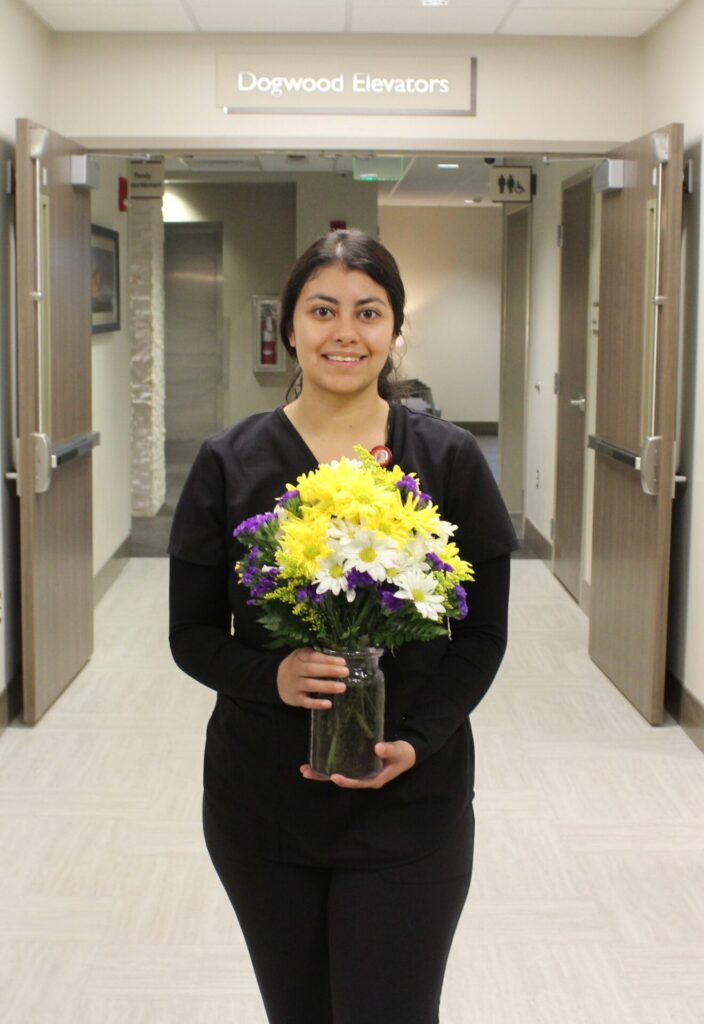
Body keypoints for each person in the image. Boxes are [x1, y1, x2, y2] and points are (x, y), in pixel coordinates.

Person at [168, 229, 518, 1024]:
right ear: (291, 325)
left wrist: (419, 740)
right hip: (263, 802)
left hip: (409, 804)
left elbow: (484, 636)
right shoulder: (230, 462)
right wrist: (275, 676)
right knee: (296, 1011)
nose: (345, 333)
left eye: (369, 312)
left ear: (395, 331)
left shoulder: (449, 460)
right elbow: (189, 636)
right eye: (322, 311)